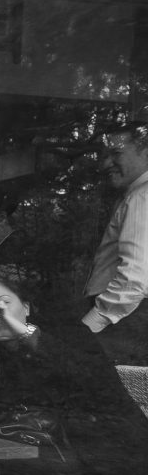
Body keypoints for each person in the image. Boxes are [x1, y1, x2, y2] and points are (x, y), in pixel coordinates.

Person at [0, 277, 147, 475]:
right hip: (41, 447)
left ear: (26, 308)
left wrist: (26, 333)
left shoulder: (68, 333)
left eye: (3, 303)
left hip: (103, 449)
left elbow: (90, 381)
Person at [82, 122, 148, 365]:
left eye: (116, 153)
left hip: (124, 323)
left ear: (145, 151)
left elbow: (135, 278)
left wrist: (93, 321)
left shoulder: (142, 197)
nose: (105, 163)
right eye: (105, 155)